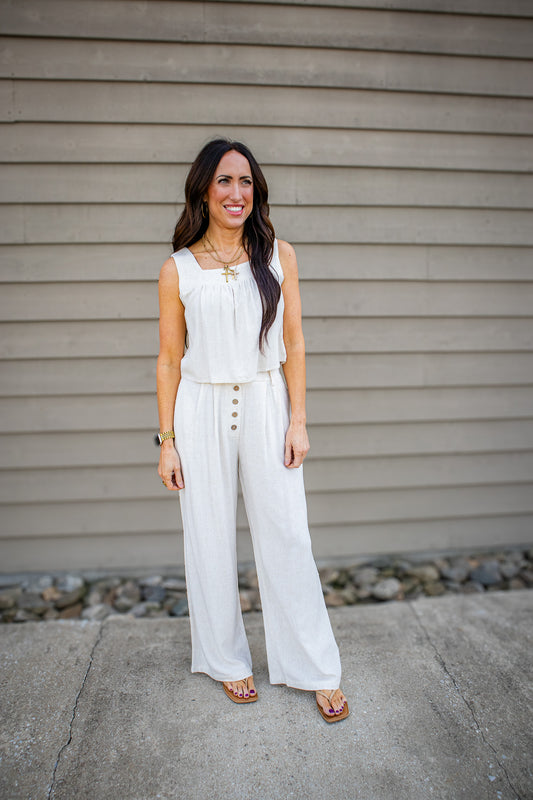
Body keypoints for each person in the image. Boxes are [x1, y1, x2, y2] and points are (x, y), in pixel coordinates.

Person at [155, 138, 349, 722]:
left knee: (287, 535)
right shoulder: (178, 269)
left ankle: (314, 668)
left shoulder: (278, 255)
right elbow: (168, 359)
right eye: (224, 181)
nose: (236, 193)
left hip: (267, 401)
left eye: (245, 181)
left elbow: (294, 343)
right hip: (200, 409)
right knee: (208, 536)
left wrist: (298, 419)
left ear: (256, 191)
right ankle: (225, 660)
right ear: (203, 191)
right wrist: (167, 442)